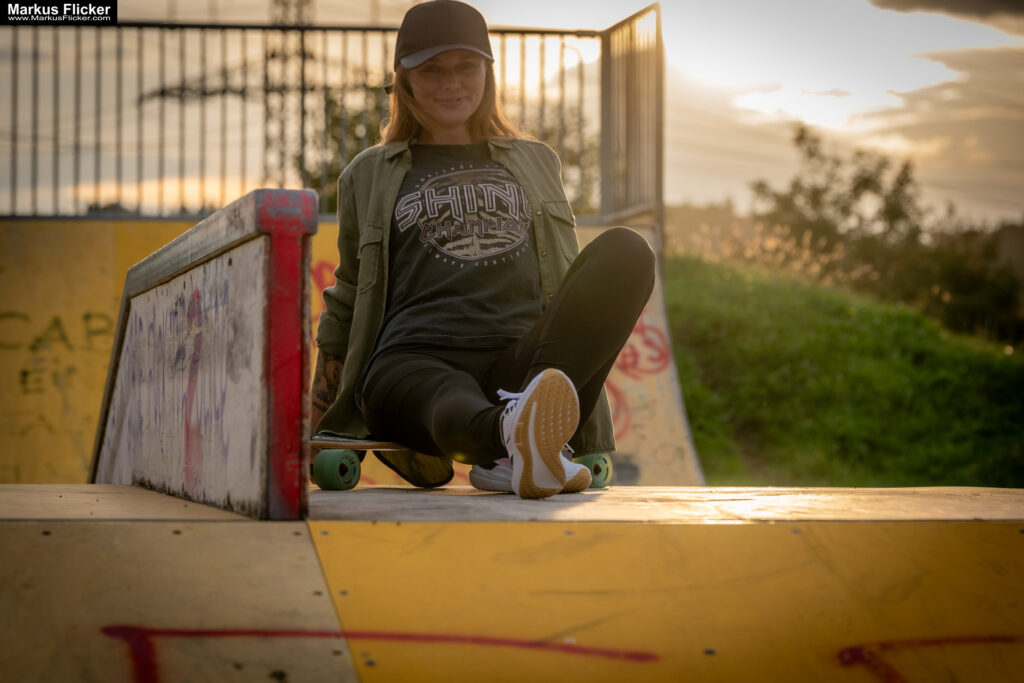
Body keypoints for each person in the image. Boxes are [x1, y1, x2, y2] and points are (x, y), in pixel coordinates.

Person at [311, 0, 655, 499]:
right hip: (412, 363)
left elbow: (562, 275)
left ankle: (528, 429)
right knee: (449, 402)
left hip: (519, 363)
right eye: (433, 70)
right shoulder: (368, 172)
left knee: (628, 251)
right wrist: (322, 429)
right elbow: (345, 299)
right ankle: (514, 438)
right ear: (404, 81)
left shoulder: (537, 161)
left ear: (488, 72)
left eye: (465, 66)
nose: (452, 83)